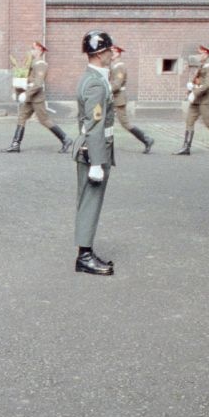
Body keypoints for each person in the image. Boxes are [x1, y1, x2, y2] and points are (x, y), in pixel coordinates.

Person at [74, 31, 118, 275]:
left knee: (89, 202)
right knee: (89, 203)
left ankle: (85, 252)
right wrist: (97, 162)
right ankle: (85, 256)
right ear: (100, 54)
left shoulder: (94, 77)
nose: (112, 54)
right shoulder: (94, 82)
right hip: (94, 150)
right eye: (109, 51)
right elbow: (94, 123)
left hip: (92, 147)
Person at [7, 40, 72, 153]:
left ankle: (65, 139)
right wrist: (17, 91)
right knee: (21, 117)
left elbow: (38, 84)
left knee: (44, 120)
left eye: (34, 49)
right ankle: (15, 144)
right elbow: (27, 80)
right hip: (29, 97)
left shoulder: (41, 64)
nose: (31, 51)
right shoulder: (32, 63)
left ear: (40, 50)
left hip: (36, 98)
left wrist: (26, 94)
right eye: (31, 48)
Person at [109, 44, 155, 153]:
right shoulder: (114, 66)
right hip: (113, 98)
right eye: (111, 52)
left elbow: (117, 85)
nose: (112, 54)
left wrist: (106, 89)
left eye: (114, 52)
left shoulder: (120, 67)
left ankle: (146, 139)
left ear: (118, 53)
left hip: (118, 98)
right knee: (104, 120)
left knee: (125, 123)